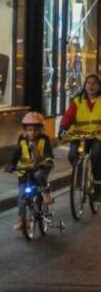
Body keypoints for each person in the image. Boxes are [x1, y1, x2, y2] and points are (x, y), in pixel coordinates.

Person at [5, 112, 55, 231]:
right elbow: (16, 154)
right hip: (25, 171)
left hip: (40, 168)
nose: (32, 133)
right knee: (22, 196)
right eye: (29, 130)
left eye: (35, 130)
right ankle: (24, 220)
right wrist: (11, 165)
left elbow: (48, 155)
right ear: (25, 130)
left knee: (38, 176)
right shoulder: (22, 140)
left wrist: (46, 161)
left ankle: (47, 192)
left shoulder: (44, 140)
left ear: (40, 130)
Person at [59, 73, 101, 202]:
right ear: (84, 85)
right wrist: (63, 127)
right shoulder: (78, 100)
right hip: (79, 134)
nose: (91, 86)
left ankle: (97, 188)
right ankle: (80, 177)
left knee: (97, 155)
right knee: (72, 155)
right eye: (88, 83)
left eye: (94, 83)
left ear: (99, 86)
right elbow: (68, 115)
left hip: (97, 135)